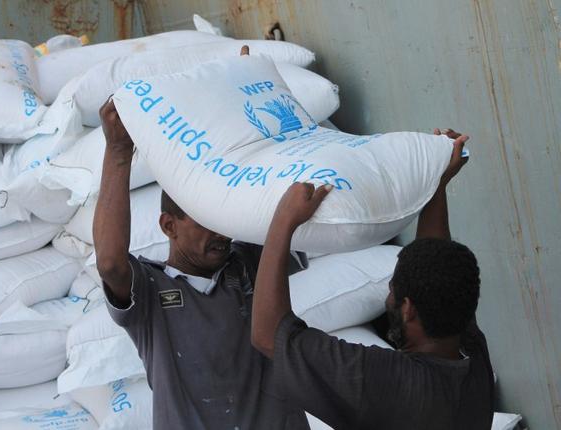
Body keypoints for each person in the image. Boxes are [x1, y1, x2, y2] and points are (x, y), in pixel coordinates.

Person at [92, 91, 310, 428]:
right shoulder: (149, 290)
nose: (221, 231)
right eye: (205, 219)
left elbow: (286, 193)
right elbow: (110, 264)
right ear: (169, 226)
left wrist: (241, 104)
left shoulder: (249, 262)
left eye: (222, 217)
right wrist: (119, 151)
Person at [251, 130, 495, 430]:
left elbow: (267, 336)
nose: (387, 298)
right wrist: (438, 182)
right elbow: (436, 259)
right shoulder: (468, 351)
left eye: (392, 289)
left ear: (408, 309)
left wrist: (283, 221)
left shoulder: (385, 381)